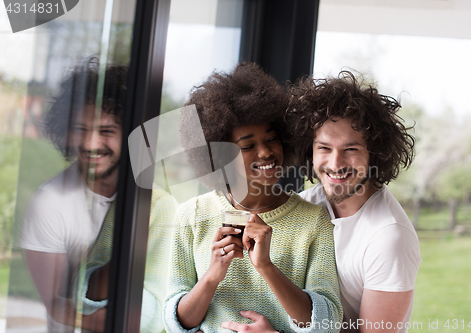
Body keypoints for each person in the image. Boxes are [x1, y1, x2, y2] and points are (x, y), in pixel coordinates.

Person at [223, 71, 421, 333]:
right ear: (309, 150)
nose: (336, 163)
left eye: (351, 149)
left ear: (375, 154)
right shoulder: (307, 204)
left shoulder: (388, 237)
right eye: (325, 148)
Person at [163, 62, 342, 333]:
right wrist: (213, 275)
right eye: (247, 146)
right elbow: (176, 322)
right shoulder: (192, 215)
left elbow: (328, 323)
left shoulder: (312, 220)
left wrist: (266, 266)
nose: (265, 153)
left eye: (271, 139)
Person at [16, 59, 174, 333]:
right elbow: (55, 303)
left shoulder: (156, 205)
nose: (90, 144)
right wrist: (119, 320)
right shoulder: (49, 203)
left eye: (106, 131)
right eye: (80, 129)